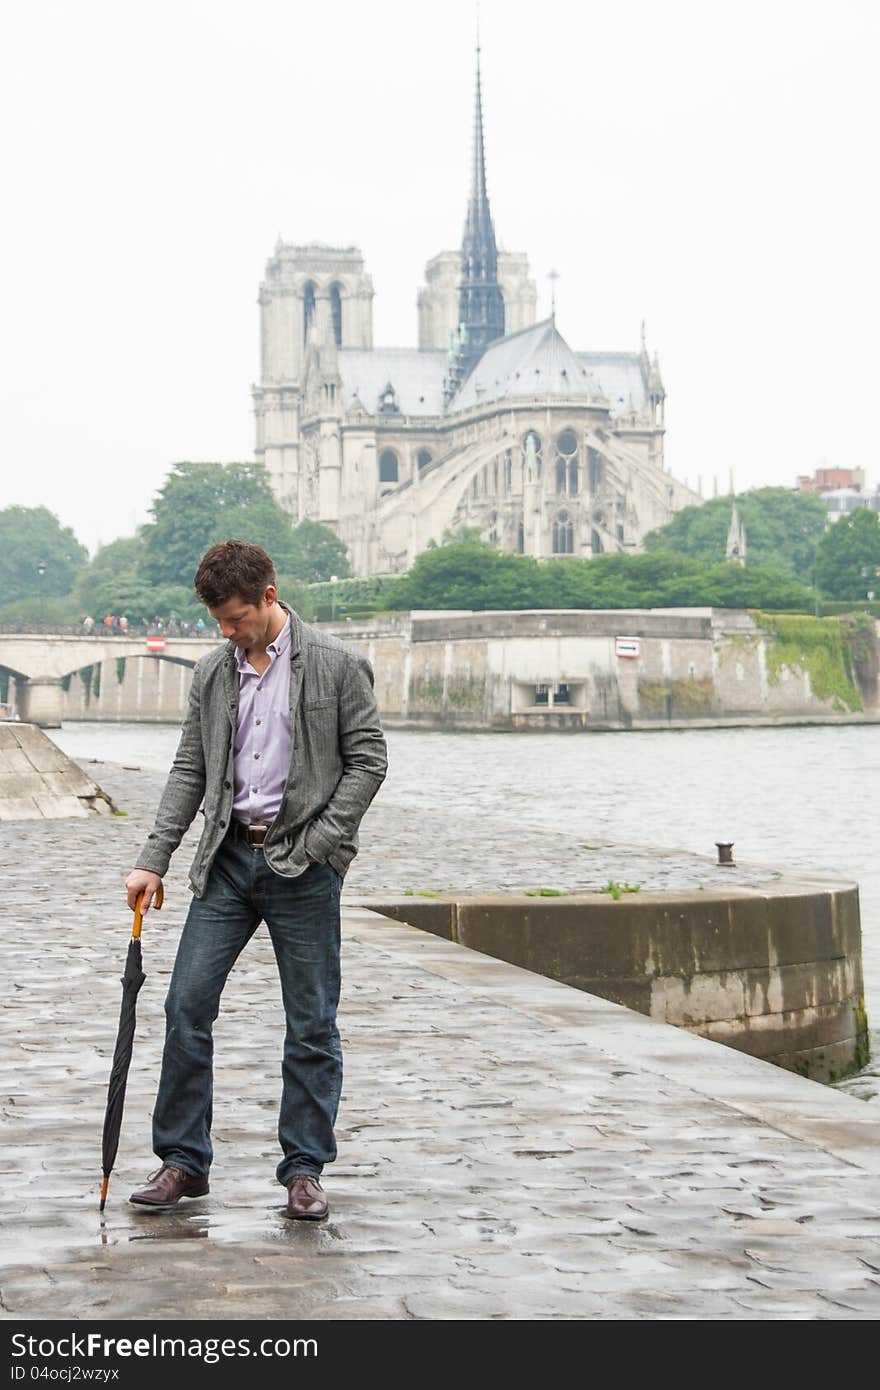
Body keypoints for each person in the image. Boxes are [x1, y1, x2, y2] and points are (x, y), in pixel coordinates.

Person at [124, 540, 387, 1220]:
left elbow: (368, 762)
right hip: (227, 863)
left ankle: (304, 1170)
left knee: (310, 1024)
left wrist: (325, 844)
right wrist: (154, 858)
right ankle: (183, 1161)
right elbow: (189, 769)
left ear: (269, 597)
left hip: (304, 869)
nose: (227, 633)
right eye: (219, 621)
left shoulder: (335, 663)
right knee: (185, 1007)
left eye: (236, 619)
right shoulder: (214, 672)